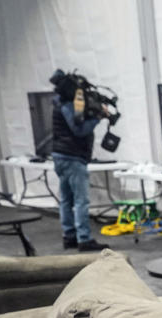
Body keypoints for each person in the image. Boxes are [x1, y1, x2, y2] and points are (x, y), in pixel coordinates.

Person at [51, 83, 109, 251]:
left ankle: (69, 236)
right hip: (72, 157)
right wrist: (97, 119)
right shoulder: (68, 106)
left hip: (61, 156)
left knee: (66, 199)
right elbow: (79, 130)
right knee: (80, 200)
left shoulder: (58, 103)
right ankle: (84, 239)